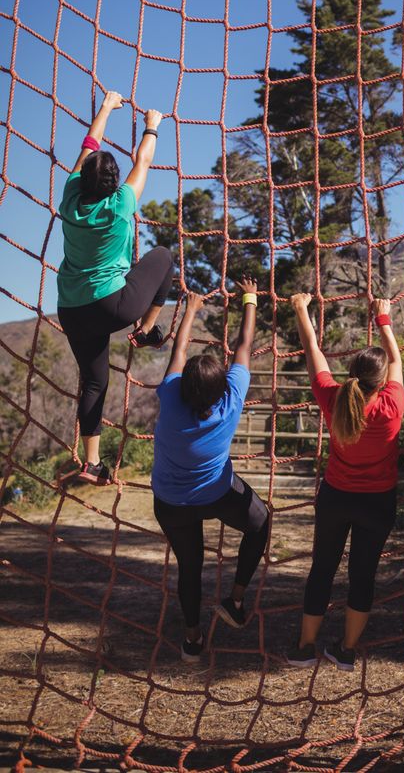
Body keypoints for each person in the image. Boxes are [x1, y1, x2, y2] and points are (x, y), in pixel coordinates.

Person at [57, 90, 174, 485]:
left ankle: (91, 463)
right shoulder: (121, 203)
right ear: (112, 182)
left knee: (94, 382)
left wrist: (105, 108)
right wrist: (152, 126)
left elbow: (88, 146)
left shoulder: (70, 196)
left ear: (83, 178)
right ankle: (144, 331)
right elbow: (142, 160)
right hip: (114, 306)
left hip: (72, 310)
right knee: (162, 256)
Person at [286, 295, 404, 672]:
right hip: (378, 503)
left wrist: (302, 310)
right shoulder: (392, 405)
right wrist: (383, 318)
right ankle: (347, 649)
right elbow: (399, 361)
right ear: (381, 382)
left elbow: (313, 352)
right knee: (363, 574)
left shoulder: (335, 400)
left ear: (352, 374)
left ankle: (306, 646)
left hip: (336, 497)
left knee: (322, 568)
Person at [152, 278, 268, 663]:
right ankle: (234, 600)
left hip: (170, 501)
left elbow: (180, 349)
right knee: (261, 521)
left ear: (184, 386)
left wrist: (192, 308)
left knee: (190, 566)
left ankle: (192, 639)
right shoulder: (230, 401)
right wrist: (249, 297)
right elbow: (244, 346)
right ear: (222, 389)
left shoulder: (170, 397)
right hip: (217, 494)